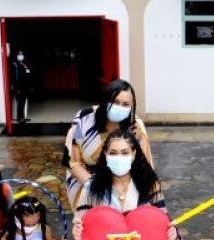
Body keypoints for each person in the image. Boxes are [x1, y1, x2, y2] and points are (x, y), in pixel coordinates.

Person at [64, 79, 153, 211]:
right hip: (85, 182)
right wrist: (93, 186)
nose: (120, 107)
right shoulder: (84, 118)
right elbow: (70, 159)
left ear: (132, 107)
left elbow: (144, 167)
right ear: (105, 100)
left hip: (123, 183)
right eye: (115, 102)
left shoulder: (136, 127)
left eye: (125, 104)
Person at [11, 50, 34, 123]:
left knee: (23, 103)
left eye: (21, 54)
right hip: (18, 87)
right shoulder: (15, 64)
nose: (20, 56)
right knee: (20, 103)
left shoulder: (24, 64)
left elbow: (28, 73)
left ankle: (22, 117)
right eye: (19, 54)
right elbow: (16, 78)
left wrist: (26, 67)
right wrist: (16, 87)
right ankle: (19, 118)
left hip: (24, 87)